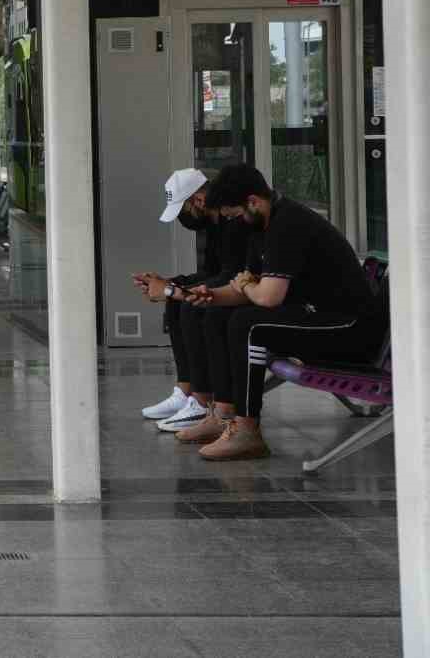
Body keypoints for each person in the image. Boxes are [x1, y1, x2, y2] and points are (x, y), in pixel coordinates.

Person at [185, 164, 385, 461]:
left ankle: (247, 431)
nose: (234, 223)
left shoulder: (289, 224)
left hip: (351, 331)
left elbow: (267, 297)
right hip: (319, 318)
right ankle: (224, 415)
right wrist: (211, 296)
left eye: (236, 215)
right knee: (218, 314)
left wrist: (247, 287)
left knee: (248, 324)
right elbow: (247, 287)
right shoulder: (259, 226)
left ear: (253, 202)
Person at [132, 168, 252, 433]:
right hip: (230, 285)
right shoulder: (214, 226)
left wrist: (173, 288)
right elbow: (212, 273)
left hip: (244, 292)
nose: (185, 218)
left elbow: (231, 274)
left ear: (198, 199)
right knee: (177, 301)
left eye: (185, 209)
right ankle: (186, 391)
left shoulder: (232, 224)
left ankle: (202, 399)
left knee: (192, 308)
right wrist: (171, 282)